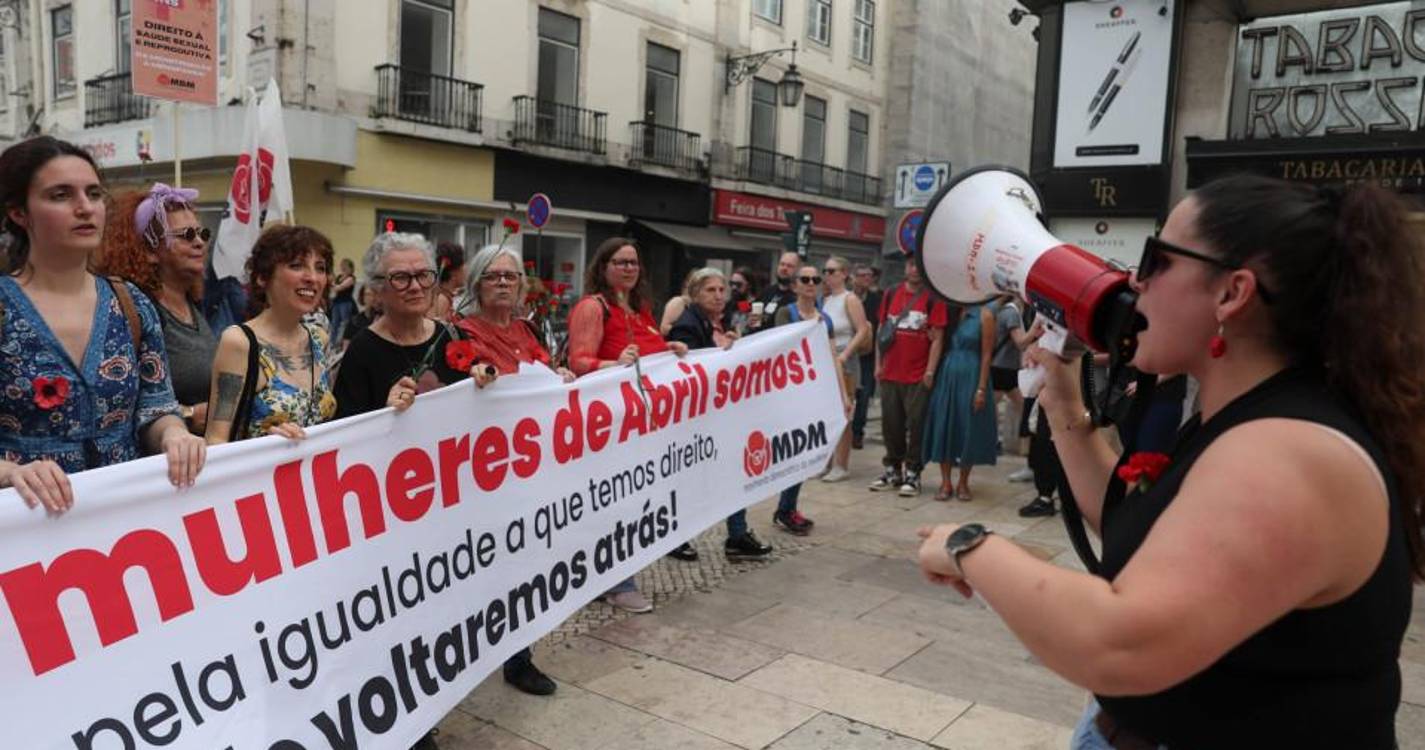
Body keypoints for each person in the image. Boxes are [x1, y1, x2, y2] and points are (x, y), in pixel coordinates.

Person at [916, 175, 1422, 748]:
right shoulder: (1244, 418)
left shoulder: (1288, 455)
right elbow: (1135, 526)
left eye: (1156, 260)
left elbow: (1121, 644)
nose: (1134, 281)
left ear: (1232, 293)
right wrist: (1062, 400)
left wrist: (970, 547)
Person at [0, 135, 205, 511]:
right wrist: (10, 473)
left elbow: (156, 407)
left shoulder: (130, 303)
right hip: (27, 524)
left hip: (123, 520)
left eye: (93, 194)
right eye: (61, 195)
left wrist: (175, 434)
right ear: (19, 213)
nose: (85, 208)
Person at [567, 237, 688, 613]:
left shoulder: (640, 308)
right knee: (618, 504)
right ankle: (618, 584)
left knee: (636, 501)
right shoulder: (593, 307)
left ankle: (609, 577)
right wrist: (613, 364)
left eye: (634, 262)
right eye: (620, 262)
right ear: (603, 267)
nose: (629, 268)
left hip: (643, 425)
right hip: (609, 426)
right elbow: (578, 362)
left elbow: (647, 354)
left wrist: (670, 350)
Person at [666, 267, 773, 559]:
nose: (718, 296)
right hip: (696, 420)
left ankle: (737, 535)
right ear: (695, 294)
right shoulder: (687, 325)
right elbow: (691, 371)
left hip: (721, 415)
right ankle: (676, 537)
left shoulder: (718, 321)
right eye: (710, 290)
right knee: (691, 479)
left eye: (721, 290)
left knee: (733, 472)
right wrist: (723, 354)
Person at [95, 183, 219, 436]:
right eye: (186, 235)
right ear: (150, 250)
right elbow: (118, 398)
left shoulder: (194, 305)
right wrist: (187, 414)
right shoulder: (134, 312)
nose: (199, 243)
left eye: (203, 234)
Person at [205, 225, 337, 444]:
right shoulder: (239, 343)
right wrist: (265, 445)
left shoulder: (318, 339)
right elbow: (216, 439)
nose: (312, 277)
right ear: (262, 277)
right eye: (296, 265)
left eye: (320, 268)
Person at [767, 264, 851, 535]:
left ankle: (787, 507)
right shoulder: (786, 313)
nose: (811, 283)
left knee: (803, 452)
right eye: (805, 279)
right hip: (789, 392)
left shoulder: (825, 319)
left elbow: (833, 357)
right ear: (795, 285)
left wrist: (843, 395)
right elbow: (780, 347)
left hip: (813, 392)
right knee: (790, 453)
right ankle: (785, 508)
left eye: (815, 279)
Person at [869, 256, 948, 497]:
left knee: (916, 425)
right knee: (890, 424)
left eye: (919, 265)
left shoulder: (934, 298)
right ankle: (892, 469)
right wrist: (878, 364)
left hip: (917, 375)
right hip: (890, 372)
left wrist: (930, 371)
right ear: (905, 267)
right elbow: (882, 330)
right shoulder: (891, 293)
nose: (915, 270)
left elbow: (938, 338)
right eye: (911, 264)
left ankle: (913, 473)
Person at [921, 303, 997, 501]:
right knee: (944, 423)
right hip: (947, 373)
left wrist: (981, 388)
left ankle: (963, 482)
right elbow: (937, 340)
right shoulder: (948, 311)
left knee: (968, 426)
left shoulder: (985, 315)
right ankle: (945, 482)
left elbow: (987, 354)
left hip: (972, 374)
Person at [818, 255, 870, 482]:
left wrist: (846, 354)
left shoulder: (850, 299)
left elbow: (862, 329)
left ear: (844, 274)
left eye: (832, 271)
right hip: (826, 359)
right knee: (826, 412)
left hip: (844, 359)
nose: (827, 275)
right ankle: (827, 461)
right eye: (825, 271)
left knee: (844, 412)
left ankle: (841, 464)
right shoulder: (826, 300)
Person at [988, 293, 1030, 455]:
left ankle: (996, 441)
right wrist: (1035, 332)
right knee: (1020, 407)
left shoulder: (1000, 310)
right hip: (1005, 367)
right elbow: (1020, 342)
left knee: (995, 406)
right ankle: (995, 441)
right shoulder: (1011, 313)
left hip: (1001, 366)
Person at [850, 264, 882, 449]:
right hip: (848, 353)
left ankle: (857, 433)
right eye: (862, 275)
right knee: (847, 395)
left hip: (868, 356)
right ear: (853, 278)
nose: (867, 279)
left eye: (869, 276)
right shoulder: (847, 298)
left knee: (864, 396)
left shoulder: (877, 300)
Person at [748, 251, 800, 332]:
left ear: (797, 270)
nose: (784, 268)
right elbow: (751, 313)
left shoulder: (799, 297)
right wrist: (751, 320)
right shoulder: (768, 291)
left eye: (789, 266)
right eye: (782, 264)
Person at [429, 241, 466, 321]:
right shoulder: (442, 300)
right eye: (463, 269)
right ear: (453, 274)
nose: (466, 271)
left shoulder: (443, 296)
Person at [328, 257, 357, 347]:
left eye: (345, 265)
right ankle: (332, 343)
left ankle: (341, 343)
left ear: (350, 268)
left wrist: (332, 285)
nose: (343, 267)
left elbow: (340, 287)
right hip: (337, 302)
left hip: (346, 303)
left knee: (344, 324)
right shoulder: (339, 277)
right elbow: (334, 288)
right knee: (334, 323)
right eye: (342, 265)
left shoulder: (351, 278)